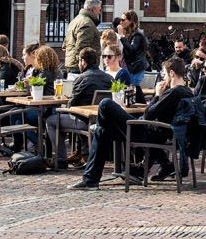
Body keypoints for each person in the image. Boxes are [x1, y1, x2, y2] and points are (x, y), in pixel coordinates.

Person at [69, 56, 196, 189]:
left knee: (106, 104)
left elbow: (149, 114)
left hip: (146, 131)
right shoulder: (187, 91)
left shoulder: (174, 92)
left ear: (171, 73)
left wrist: (157, 95)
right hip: (152, 130)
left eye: (164, 74)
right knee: (102, 130)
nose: (163, 78)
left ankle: (91, 179)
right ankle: (90, 179)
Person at [64, 0, 102, 72]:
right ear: (93, 9)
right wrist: (83, 65)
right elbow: (82, 48)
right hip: (82, 67)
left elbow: (65, 45)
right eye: (99, 10)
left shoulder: (75, 20)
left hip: (72, 63)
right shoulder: (87, 23)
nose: (99, 13)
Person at [118, 10, 150, 84]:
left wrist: (122, 36)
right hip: (130, 68)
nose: (121, 22)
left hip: (136, 68)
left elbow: (132, 49)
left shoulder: (137, 35)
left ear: (131, 21)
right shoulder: (129, 34)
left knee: (134, 90)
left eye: (123, 20)